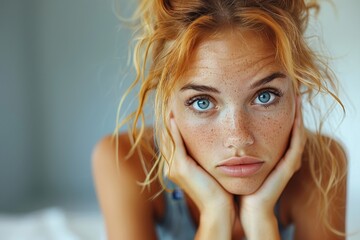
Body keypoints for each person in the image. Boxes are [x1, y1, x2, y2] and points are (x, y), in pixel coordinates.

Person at [92, 0, 347, 239]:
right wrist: (215, 215)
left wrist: (261, 221)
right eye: (202, 102)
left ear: (297, 89)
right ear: (166, 101)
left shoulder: (321, 166)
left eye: (265, 96)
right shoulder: (124, 161)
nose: (239, 137)